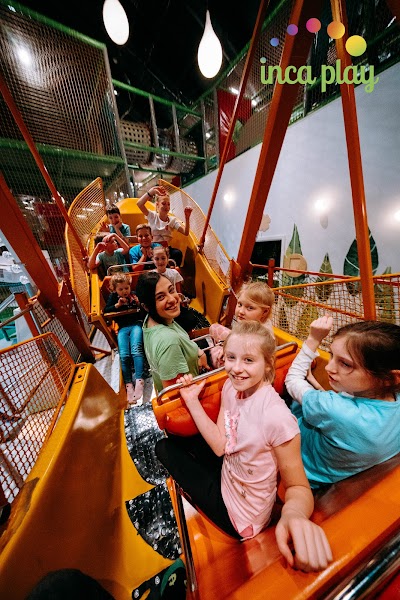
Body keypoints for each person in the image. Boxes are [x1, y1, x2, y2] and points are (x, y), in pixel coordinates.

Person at [155, 321, 332, 571]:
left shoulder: (278, 420)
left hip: (239, 515)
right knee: (174, 441)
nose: (236, 368)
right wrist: (192, 401)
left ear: (268, 364)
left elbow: (298, 487)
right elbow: (220, 445)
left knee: (163, 449)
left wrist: (294, 515)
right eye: (231, 357)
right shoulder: (231, 387)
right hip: (229, 469)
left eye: (248, 360)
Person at [285, 316, 400, 489]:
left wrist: (314, 339)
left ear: (389, 378)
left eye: (345, 364)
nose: (328, 367)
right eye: (331, 355)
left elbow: (292, 379)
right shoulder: (392, 399)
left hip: (298, 469)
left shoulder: (334, 409)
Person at [135, 271, 208, 393]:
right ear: (146, 306)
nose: (172, 299)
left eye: (171, 290)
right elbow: (174, 395)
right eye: (160, 297)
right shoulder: (168, 342)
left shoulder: (152, 321)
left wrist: (199, 353)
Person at [209, 281, 275, 367]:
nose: (241, 311)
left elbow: (247, 352)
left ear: (265, 312)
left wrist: (226, 350)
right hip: (238, 345)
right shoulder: (249, 321)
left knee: (215, 353)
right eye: (240, 304)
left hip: (244, 361)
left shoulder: (262, 334)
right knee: (213, 327)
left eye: (250, 308)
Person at [103, 273, 145, 404]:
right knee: (124, 355)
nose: (124, 291)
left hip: (136, 324)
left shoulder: (133, 295)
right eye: (120, 289)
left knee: (136, 349)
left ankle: (139, 380)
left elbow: (143, 308)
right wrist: (117, 305)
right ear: (115, 289)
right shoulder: (113, 298)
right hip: (123, 328)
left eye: (126, 288)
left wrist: (138, 303)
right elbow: (106, 311)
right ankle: (128, 384)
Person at [136, 185, 193, 266]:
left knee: (177, 253)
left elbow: (186, 232)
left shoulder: (172, 220)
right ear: (157, 205)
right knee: (149, 258)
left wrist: (187, 218)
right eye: (163, 203)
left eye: (168, 204)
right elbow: (139, 204)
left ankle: (171, 270)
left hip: (166, 250)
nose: (166, 207)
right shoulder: (152, 216)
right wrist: (152, 191)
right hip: (153, 248)